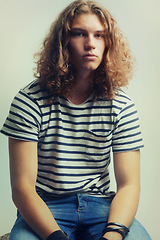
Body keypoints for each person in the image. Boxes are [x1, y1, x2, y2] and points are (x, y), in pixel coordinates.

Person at [1, 1, 151, 240]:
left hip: (101, 206)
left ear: (108, 43)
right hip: (47, 205)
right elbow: (22, 189)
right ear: (63, 42)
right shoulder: (29, 101)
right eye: (79, 33)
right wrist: (55, 236)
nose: (90, 43)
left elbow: (129, 186)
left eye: (99, 35)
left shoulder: (121, 105)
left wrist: (113, 234)